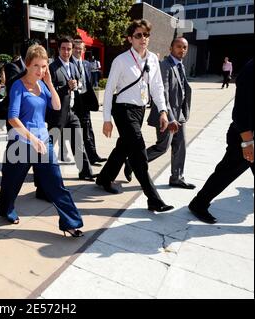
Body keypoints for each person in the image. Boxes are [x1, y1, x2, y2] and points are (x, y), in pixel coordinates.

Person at [0, 44, 84, 237]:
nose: (40, 70)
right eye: (36, 65)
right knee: (11, 183)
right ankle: (6, 210)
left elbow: (56, 105)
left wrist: (50, 84)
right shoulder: (18, 86)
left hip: (43, 143)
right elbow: (12, 118)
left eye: (44, 66)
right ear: (27, 64)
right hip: (21, 144)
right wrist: (32, 139)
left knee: (56, 183)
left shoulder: (42, 85)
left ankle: (71, 222)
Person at [95, 19, 174, 212]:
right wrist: (106, 119)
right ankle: (153, 198)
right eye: (138, 35)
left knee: (124, 147)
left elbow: (157, 87)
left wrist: (163, 111)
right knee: (138, 149)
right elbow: (109, 90)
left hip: (139, 110)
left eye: (146, 35)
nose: (143, 39)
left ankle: (104, 178)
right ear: (130, 38)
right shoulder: (121, 60)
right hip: (123, 110)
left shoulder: (153, 59)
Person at [125, 37, 196, 189]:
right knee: (163, 147)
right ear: (171, 48)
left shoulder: (181, 66)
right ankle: (132, 162)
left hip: (179, 115)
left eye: (184, 47)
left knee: (181, 145)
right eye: (178, 47)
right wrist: (170, 117)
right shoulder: (164, 66)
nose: (182, 50)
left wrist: (182, 113)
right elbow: (162, 94)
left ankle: (177, 177)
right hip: (167, 116)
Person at [189, 59, 254, 224]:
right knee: (226, 172)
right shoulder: (251, 69)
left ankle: (199, 202)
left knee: (226, 172)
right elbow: (241, 112)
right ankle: (199, 203)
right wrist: (247, 143)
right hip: (244, 136)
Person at [44, 36, 95, 183]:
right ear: (58, 49)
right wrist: (66, 86)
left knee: (78, 141)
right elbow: (49, 91)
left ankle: (85, 171)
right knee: (49, 145)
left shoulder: (73, 66)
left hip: (71, 112)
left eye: (69, 49)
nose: (66, 52)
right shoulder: (52, 68)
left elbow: (78, 83)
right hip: (57, 114)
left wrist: (76, 84)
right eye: (64, 49)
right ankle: (39, 169)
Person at [71, 39, 107, 166]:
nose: (78, 50)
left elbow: (89, 83)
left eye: (80, 48)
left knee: (88, 130)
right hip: (75, 102)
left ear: (84, 50)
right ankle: (84, 158)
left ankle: (93, 155)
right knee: (77, 132)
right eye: (75, 48)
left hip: (85, 100)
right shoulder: (69, 63)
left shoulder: (86, 64)